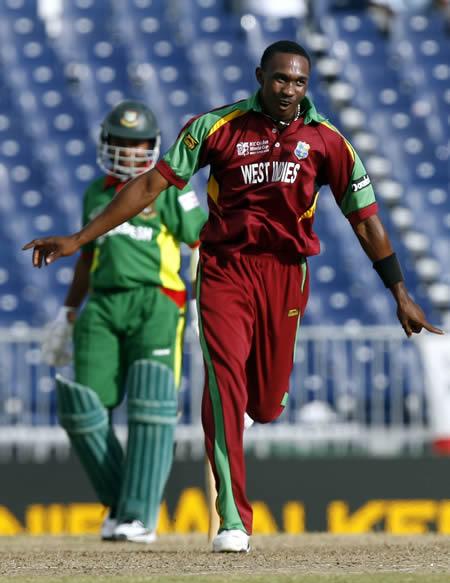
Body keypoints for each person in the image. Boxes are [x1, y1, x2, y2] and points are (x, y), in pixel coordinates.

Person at [24, 41, 444, 553]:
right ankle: (233, 520)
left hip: (286, 274)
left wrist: (400, 292)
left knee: (264, 405)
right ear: (260, 76)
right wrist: (77, 239)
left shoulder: (328, 141)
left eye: (299, 82)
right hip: (224, 270)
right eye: (280, 79)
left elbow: (367, 221)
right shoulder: (215, 128)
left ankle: (252, 406)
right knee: (223, 387)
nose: (288, 90)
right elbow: (148, 186)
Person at [39, 99, 207, 543]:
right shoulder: (96, 192)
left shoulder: (172, 187)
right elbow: (85, 256)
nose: (131, 152)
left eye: (138, 144)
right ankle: (122, 506)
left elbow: (201, 243)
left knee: (152, 402)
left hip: (157, 302)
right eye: (121, 143)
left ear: (152, 146)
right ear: (105, 144)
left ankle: (139, 517)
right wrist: (67, 312)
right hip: (102, 305)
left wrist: (203, 303)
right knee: (82, 408)